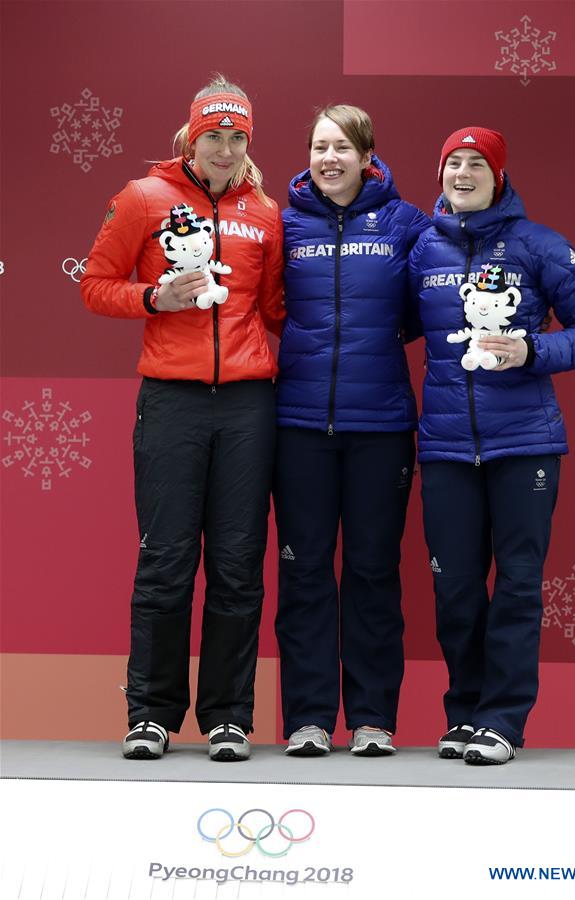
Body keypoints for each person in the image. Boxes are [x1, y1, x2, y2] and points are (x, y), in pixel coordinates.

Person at [81, 75, 284, 762]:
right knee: (165, 562)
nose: (224, 149)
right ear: (189, 136)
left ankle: (228, 717)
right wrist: (154, 298)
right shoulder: (143, 198)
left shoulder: (265, 210)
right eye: (212, 135)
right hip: (171, 401)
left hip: (250, 405)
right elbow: (94, 285)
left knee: (236, 565)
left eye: (236, 137)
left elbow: (280, 307)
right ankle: (151, 715)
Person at [409, 127, 575, 765]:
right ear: (439, 173)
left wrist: (533, 351)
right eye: (453, 163)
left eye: (477, 164)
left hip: (525, 445)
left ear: (499, 177)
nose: (463, 174)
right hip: (445, 446)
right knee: (456, 590)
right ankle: (464, 713)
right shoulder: (421, 248)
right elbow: (386, 322)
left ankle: (502, 720)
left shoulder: (538, 244)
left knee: (518, 585)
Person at [274, 105, 430, 756]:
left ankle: (371, 721)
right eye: (318, 146)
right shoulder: (281, 222)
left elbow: (430, 304)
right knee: (303, 571)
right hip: (298, 424)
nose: (328, 158)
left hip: (380, 425)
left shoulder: (406, 223)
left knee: (371, 570)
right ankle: (308, 719)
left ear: (368, 155)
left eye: (341, 146)